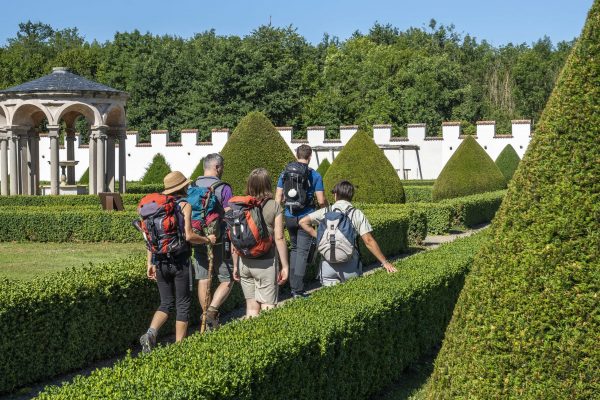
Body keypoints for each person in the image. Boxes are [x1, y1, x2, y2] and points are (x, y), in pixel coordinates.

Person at [140, 171, 216, 353]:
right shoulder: (184, 205)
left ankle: (151, 333)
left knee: (165, 303)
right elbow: (189, 236)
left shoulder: (153, 207)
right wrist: (207, 240)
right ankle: (179, 350)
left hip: (159, 261)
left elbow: (149, 238)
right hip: (180, 261)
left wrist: (149, 262)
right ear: (183, 187)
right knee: (183, 304)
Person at [299, 180, 396, 286]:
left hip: (327, 266)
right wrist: (385, 262)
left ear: (335, 195)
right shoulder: (356, 214)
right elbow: (368, 241)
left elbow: (302, 222)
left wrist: (319, 236)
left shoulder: (326, 211)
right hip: (350, 266)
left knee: (330, 299)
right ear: (351, 196)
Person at [232, 168, 290, 317]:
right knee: (268, 306)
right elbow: (279, 238)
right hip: (266, 261)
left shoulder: (241, 205)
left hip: (245, 261)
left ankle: (250, 338)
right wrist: (285, 266)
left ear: (249, 185)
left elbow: (234, 237)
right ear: (268, 184)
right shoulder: (274, 206)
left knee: (251, 308)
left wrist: (235, 265)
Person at [275, 144, 326, 298]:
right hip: (306, 217)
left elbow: (277, 197)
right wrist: (326, 211)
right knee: (302, 253)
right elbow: (321, 200)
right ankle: (297, 290)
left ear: (296, 155)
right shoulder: (314, 175)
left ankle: (293, 287)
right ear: (310, 157)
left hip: (290, 216)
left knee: (295, 249)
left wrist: (278, 217)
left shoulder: (285, 173)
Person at [192, 153, 234, 330]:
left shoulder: (192, 185)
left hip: (197, 237)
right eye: (221, 167)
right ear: (217, 167)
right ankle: (211, 311)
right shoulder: (223, 187)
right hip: (218, 238)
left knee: (203, 278)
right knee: (227, 278)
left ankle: (205, 318)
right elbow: (229, 213)